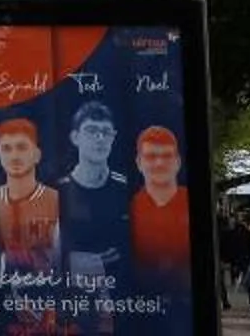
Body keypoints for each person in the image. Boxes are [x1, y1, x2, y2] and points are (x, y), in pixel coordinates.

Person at [58, 103, 129, 298]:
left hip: (121, 298)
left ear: (113, 138)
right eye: (91, 131)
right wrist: (69, 261)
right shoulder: (57, 191)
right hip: (71, 299)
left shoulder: (126, 190)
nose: (100, 138)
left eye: (106, 132)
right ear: (75, 137)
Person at [0, 119, 61, 273]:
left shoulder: (57, 200)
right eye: (6, 149)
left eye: (22, 148)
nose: (14, 156)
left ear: (37, 155)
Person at [127, 129, 193, 291]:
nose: (159, 163)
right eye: (151, 156)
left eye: (166, 156)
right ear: (139, 163)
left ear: (178, 162)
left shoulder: (190, 203)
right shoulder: (129, 209)